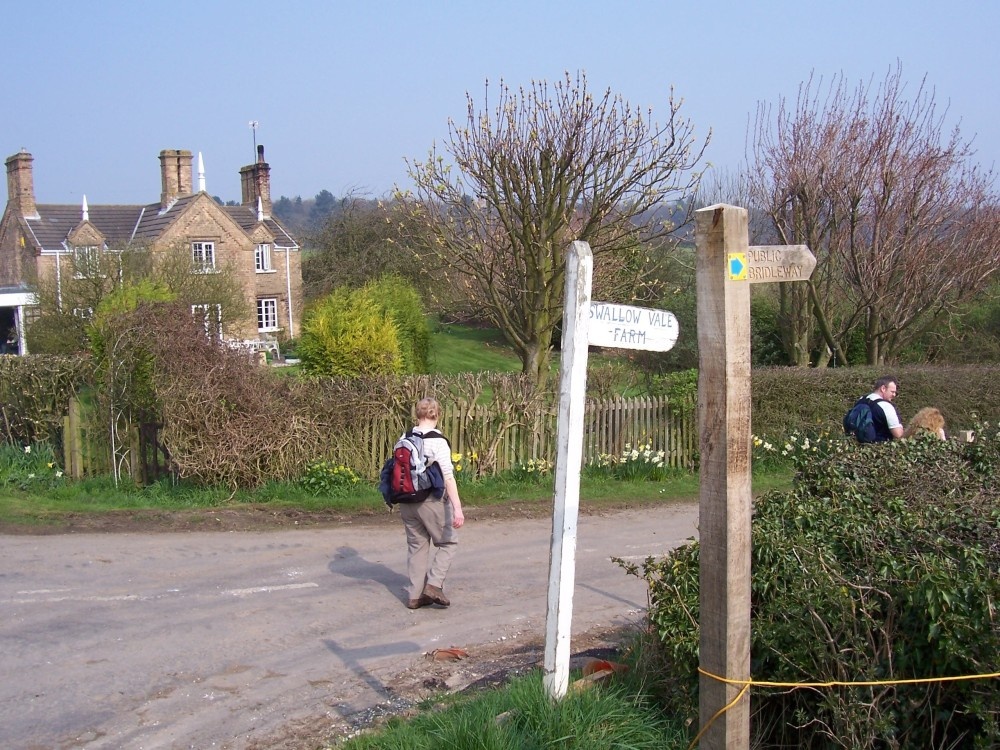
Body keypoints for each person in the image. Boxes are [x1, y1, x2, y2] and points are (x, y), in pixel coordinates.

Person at [399, 397, 465, 610]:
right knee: (448, 542)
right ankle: (434, 585)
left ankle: (415, 596)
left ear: (417, 414)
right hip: (430, 500)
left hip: (406, 500)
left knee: (417, 547)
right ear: (437, 415)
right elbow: (448, 476)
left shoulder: (405, 437)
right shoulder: (438, 441)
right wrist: (458, 508)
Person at [861, 375, 904, 442]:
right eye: (892, 392)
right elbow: (898, 434)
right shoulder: (886, 406)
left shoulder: (862, 399)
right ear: (883, 388)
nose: (894, 395)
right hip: (879, 448)